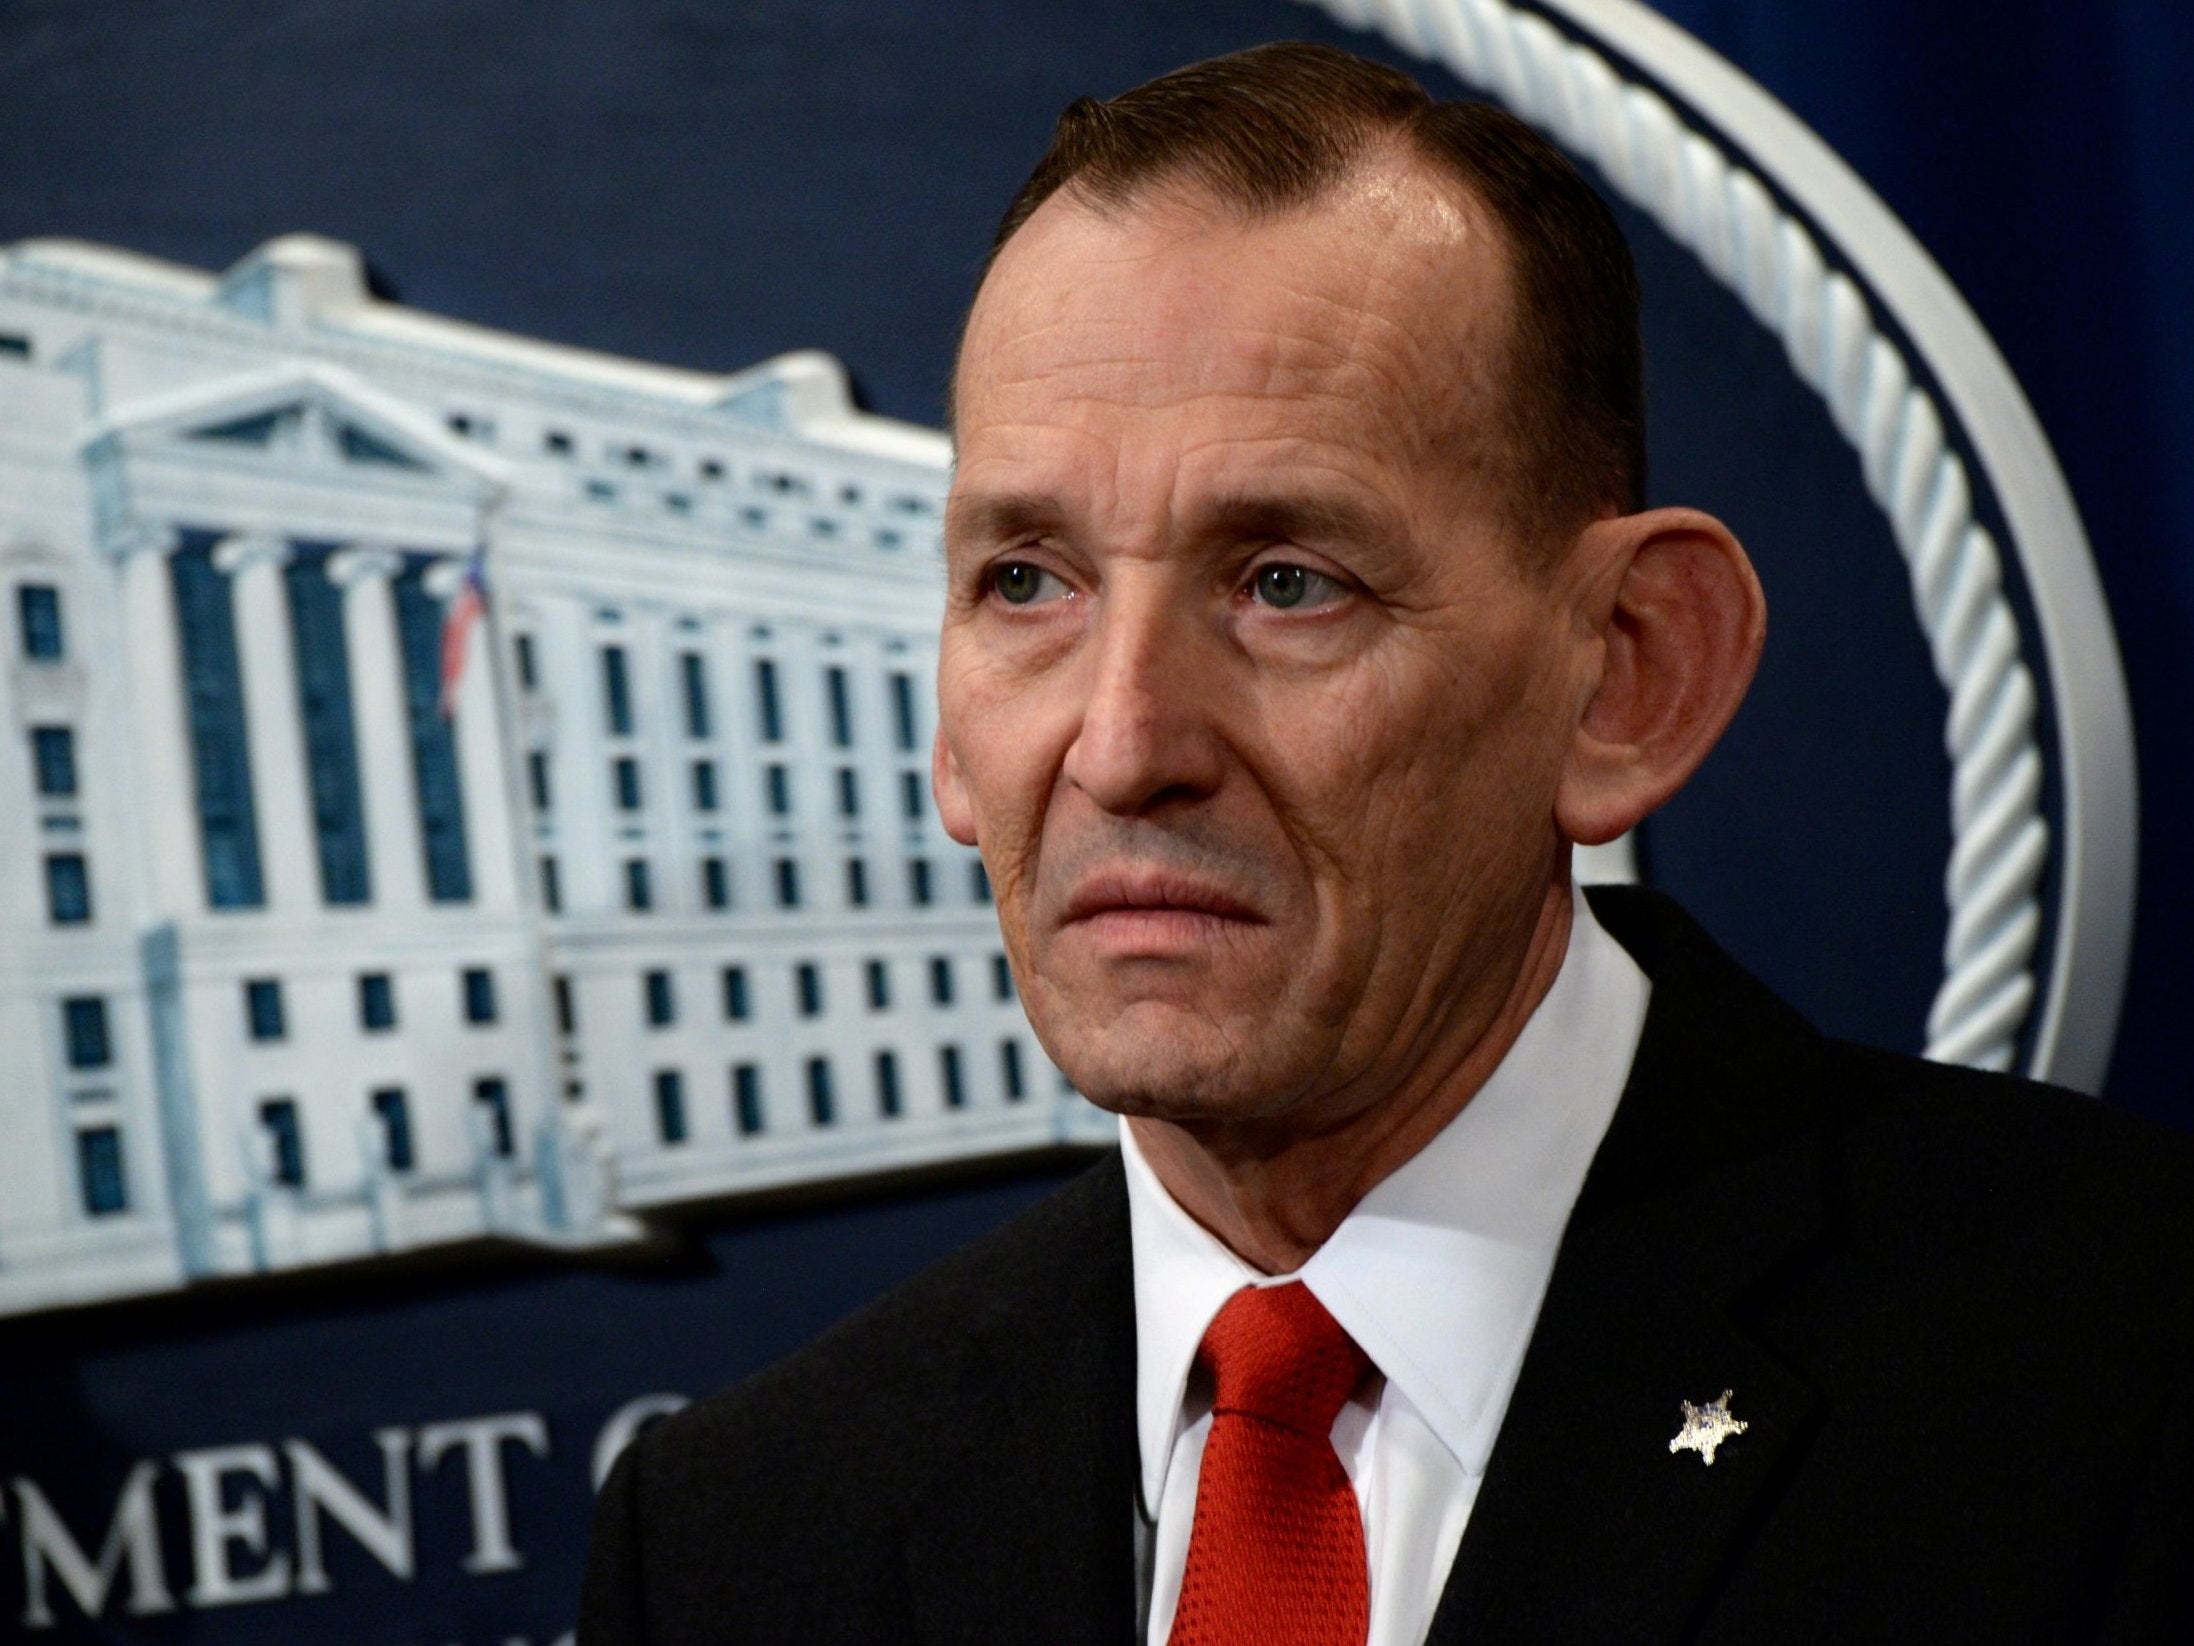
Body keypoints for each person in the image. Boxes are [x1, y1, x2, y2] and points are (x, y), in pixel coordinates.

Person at [578, 42, 2194, 1644]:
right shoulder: (738, 1535)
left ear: (1627, 670)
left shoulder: (2114, 1360)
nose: (1124, 745)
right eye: (1027, 583)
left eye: (1286, 581)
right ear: (945, 725)